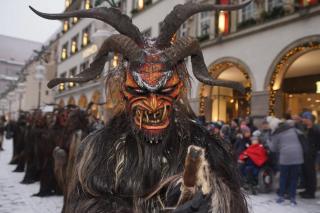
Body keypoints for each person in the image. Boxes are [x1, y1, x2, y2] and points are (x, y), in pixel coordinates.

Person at [268, 117, 303, 206]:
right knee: (294, 178)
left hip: (285, 157)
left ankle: (281, 197)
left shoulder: (276, 133)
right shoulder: (291, 129)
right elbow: (301, 134)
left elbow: (273, 148)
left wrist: (268, 140)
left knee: (283, 177)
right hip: (297, 155)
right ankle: (292, 198)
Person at [299, 111, 320, 199]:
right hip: (305, 154)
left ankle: (311, 192)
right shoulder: (305, 128)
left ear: (309, 119)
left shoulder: (316, 129)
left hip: (312, 155)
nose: (303, 120)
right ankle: (307, 190)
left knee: (311, 174)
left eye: (304, 118)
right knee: (306, 173)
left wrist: (317, 155)